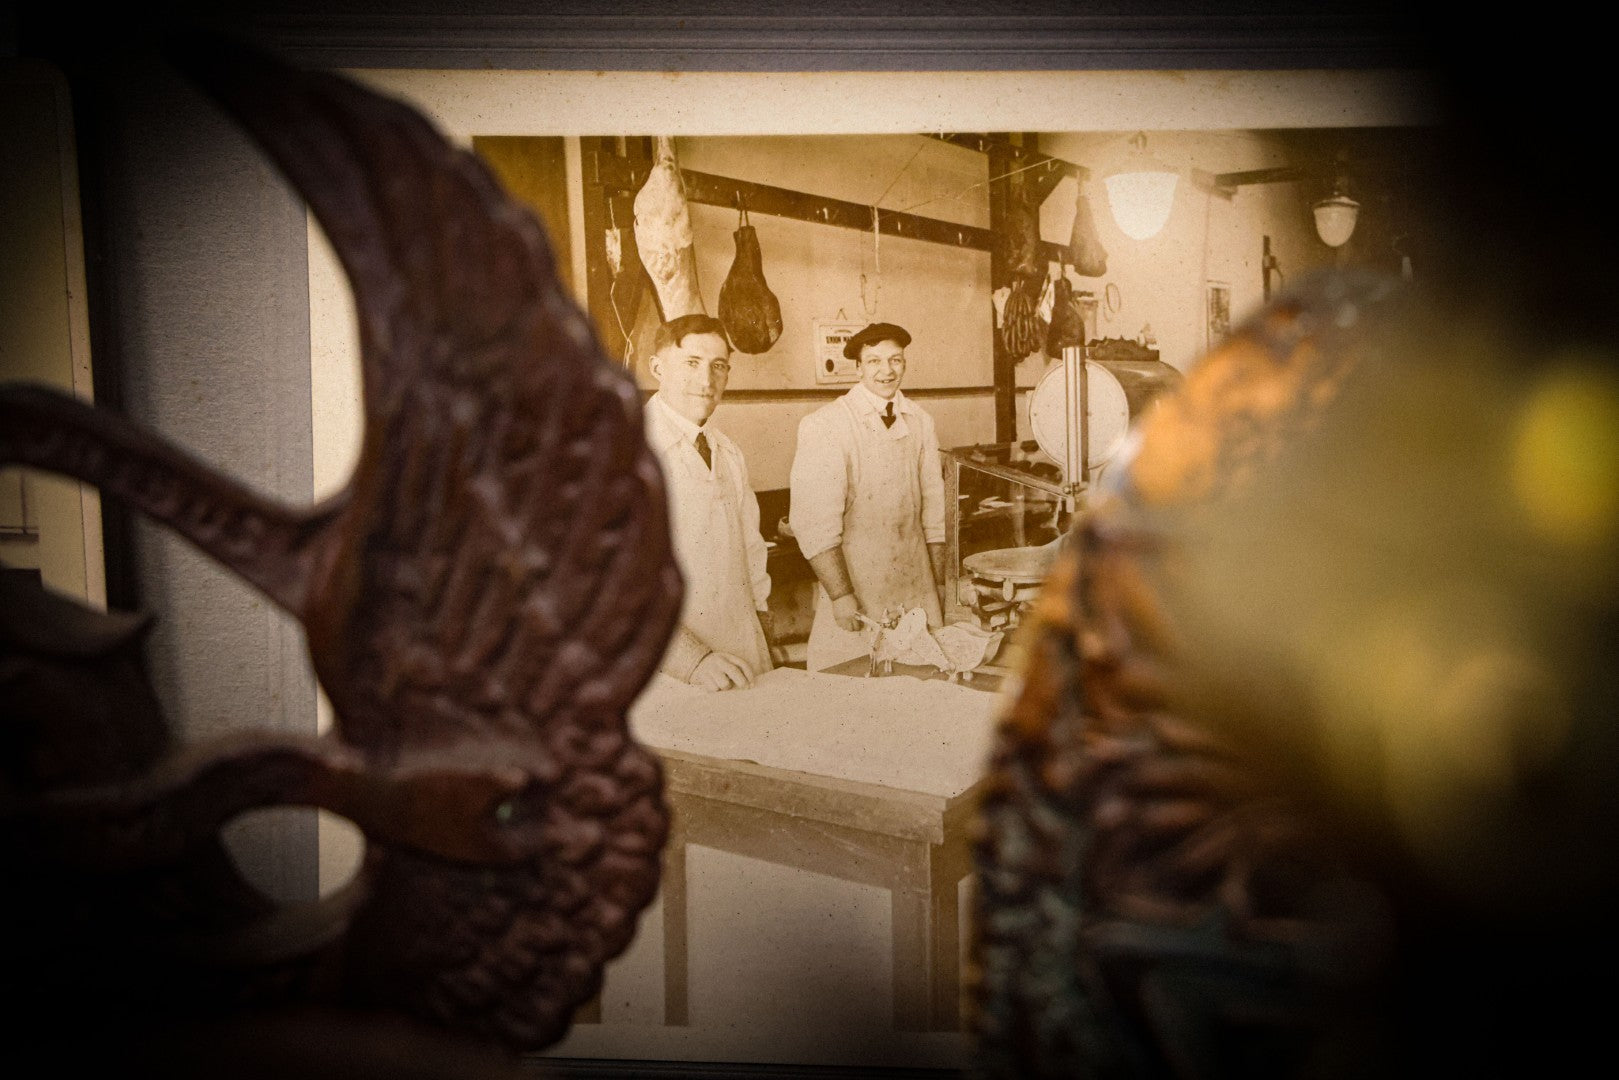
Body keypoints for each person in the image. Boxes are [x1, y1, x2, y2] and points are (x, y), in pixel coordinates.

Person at [788, 321, 946, 672]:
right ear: (858, 368)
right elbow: (813, 524)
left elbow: (935, 511)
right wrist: (840, 595)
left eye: (895, 360)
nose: (886, 371)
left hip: (916, 585)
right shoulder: (827, 424)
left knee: (922, 683)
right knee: (854, 684)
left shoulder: (920, 421)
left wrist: (938, 582)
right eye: (874, 361)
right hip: (858, 590)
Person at [644, 314, 773, 691]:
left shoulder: (727, 451)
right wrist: (692, 660)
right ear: (657, 368)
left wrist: (764, 625)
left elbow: (751, 551)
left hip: (740, 653)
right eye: (692, 363)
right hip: (669, 667)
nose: (706, 380)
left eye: (718, 366)